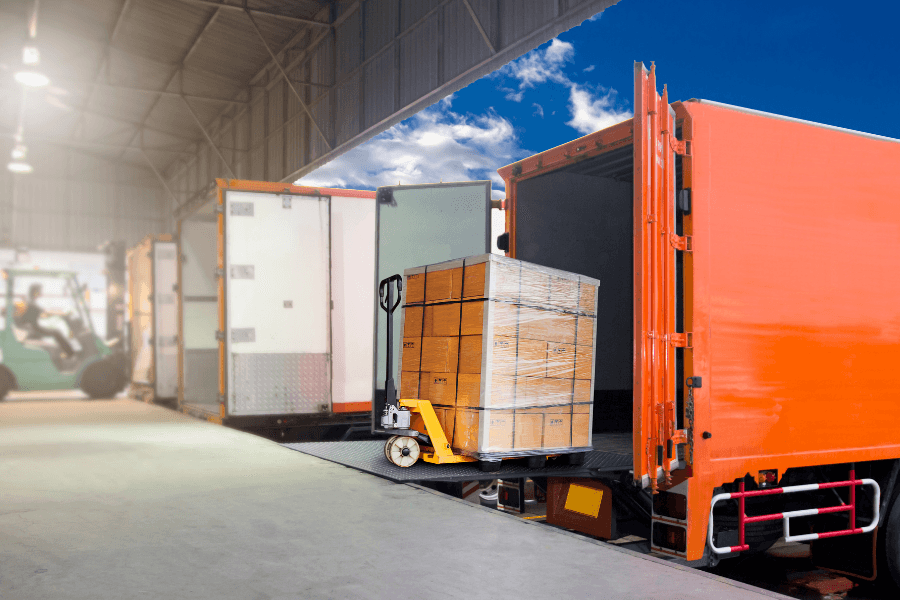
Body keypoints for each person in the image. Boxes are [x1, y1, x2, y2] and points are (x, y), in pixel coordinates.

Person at [19, 283, 75, 358]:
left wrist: (58, 313)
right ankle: (70, 354)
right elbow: (46, 313)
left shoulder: (31, 302)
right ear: (35, 292)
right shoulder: (32, 303)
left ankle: (67, 353)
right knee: (56, 332)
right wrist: (63, 314)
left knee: (55, 330)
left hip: (33, 327)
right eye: (40, 291)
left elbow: (43, 315)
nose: (41, 293)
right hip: (35, 329)